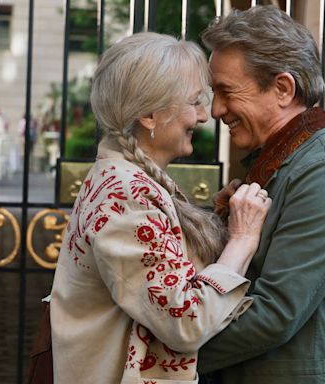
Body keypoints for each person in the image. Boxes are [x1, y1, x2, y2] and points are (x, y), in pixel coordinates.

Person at [49, 32, 271, 384]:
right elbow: (185, 320)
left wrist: (216, 223)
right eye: (194, 101)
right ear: (150, 115)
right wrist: (243, 239)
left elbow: (160, 274)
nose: (203, 115)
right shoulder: (125, 194)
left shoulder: (125, 179)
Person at [197, 5, 325, 384]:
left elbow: (273, 314)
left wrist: (160, 348)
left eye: (226, 91)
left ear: (282, 88)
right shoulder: (284, 160)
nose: (216, 110)